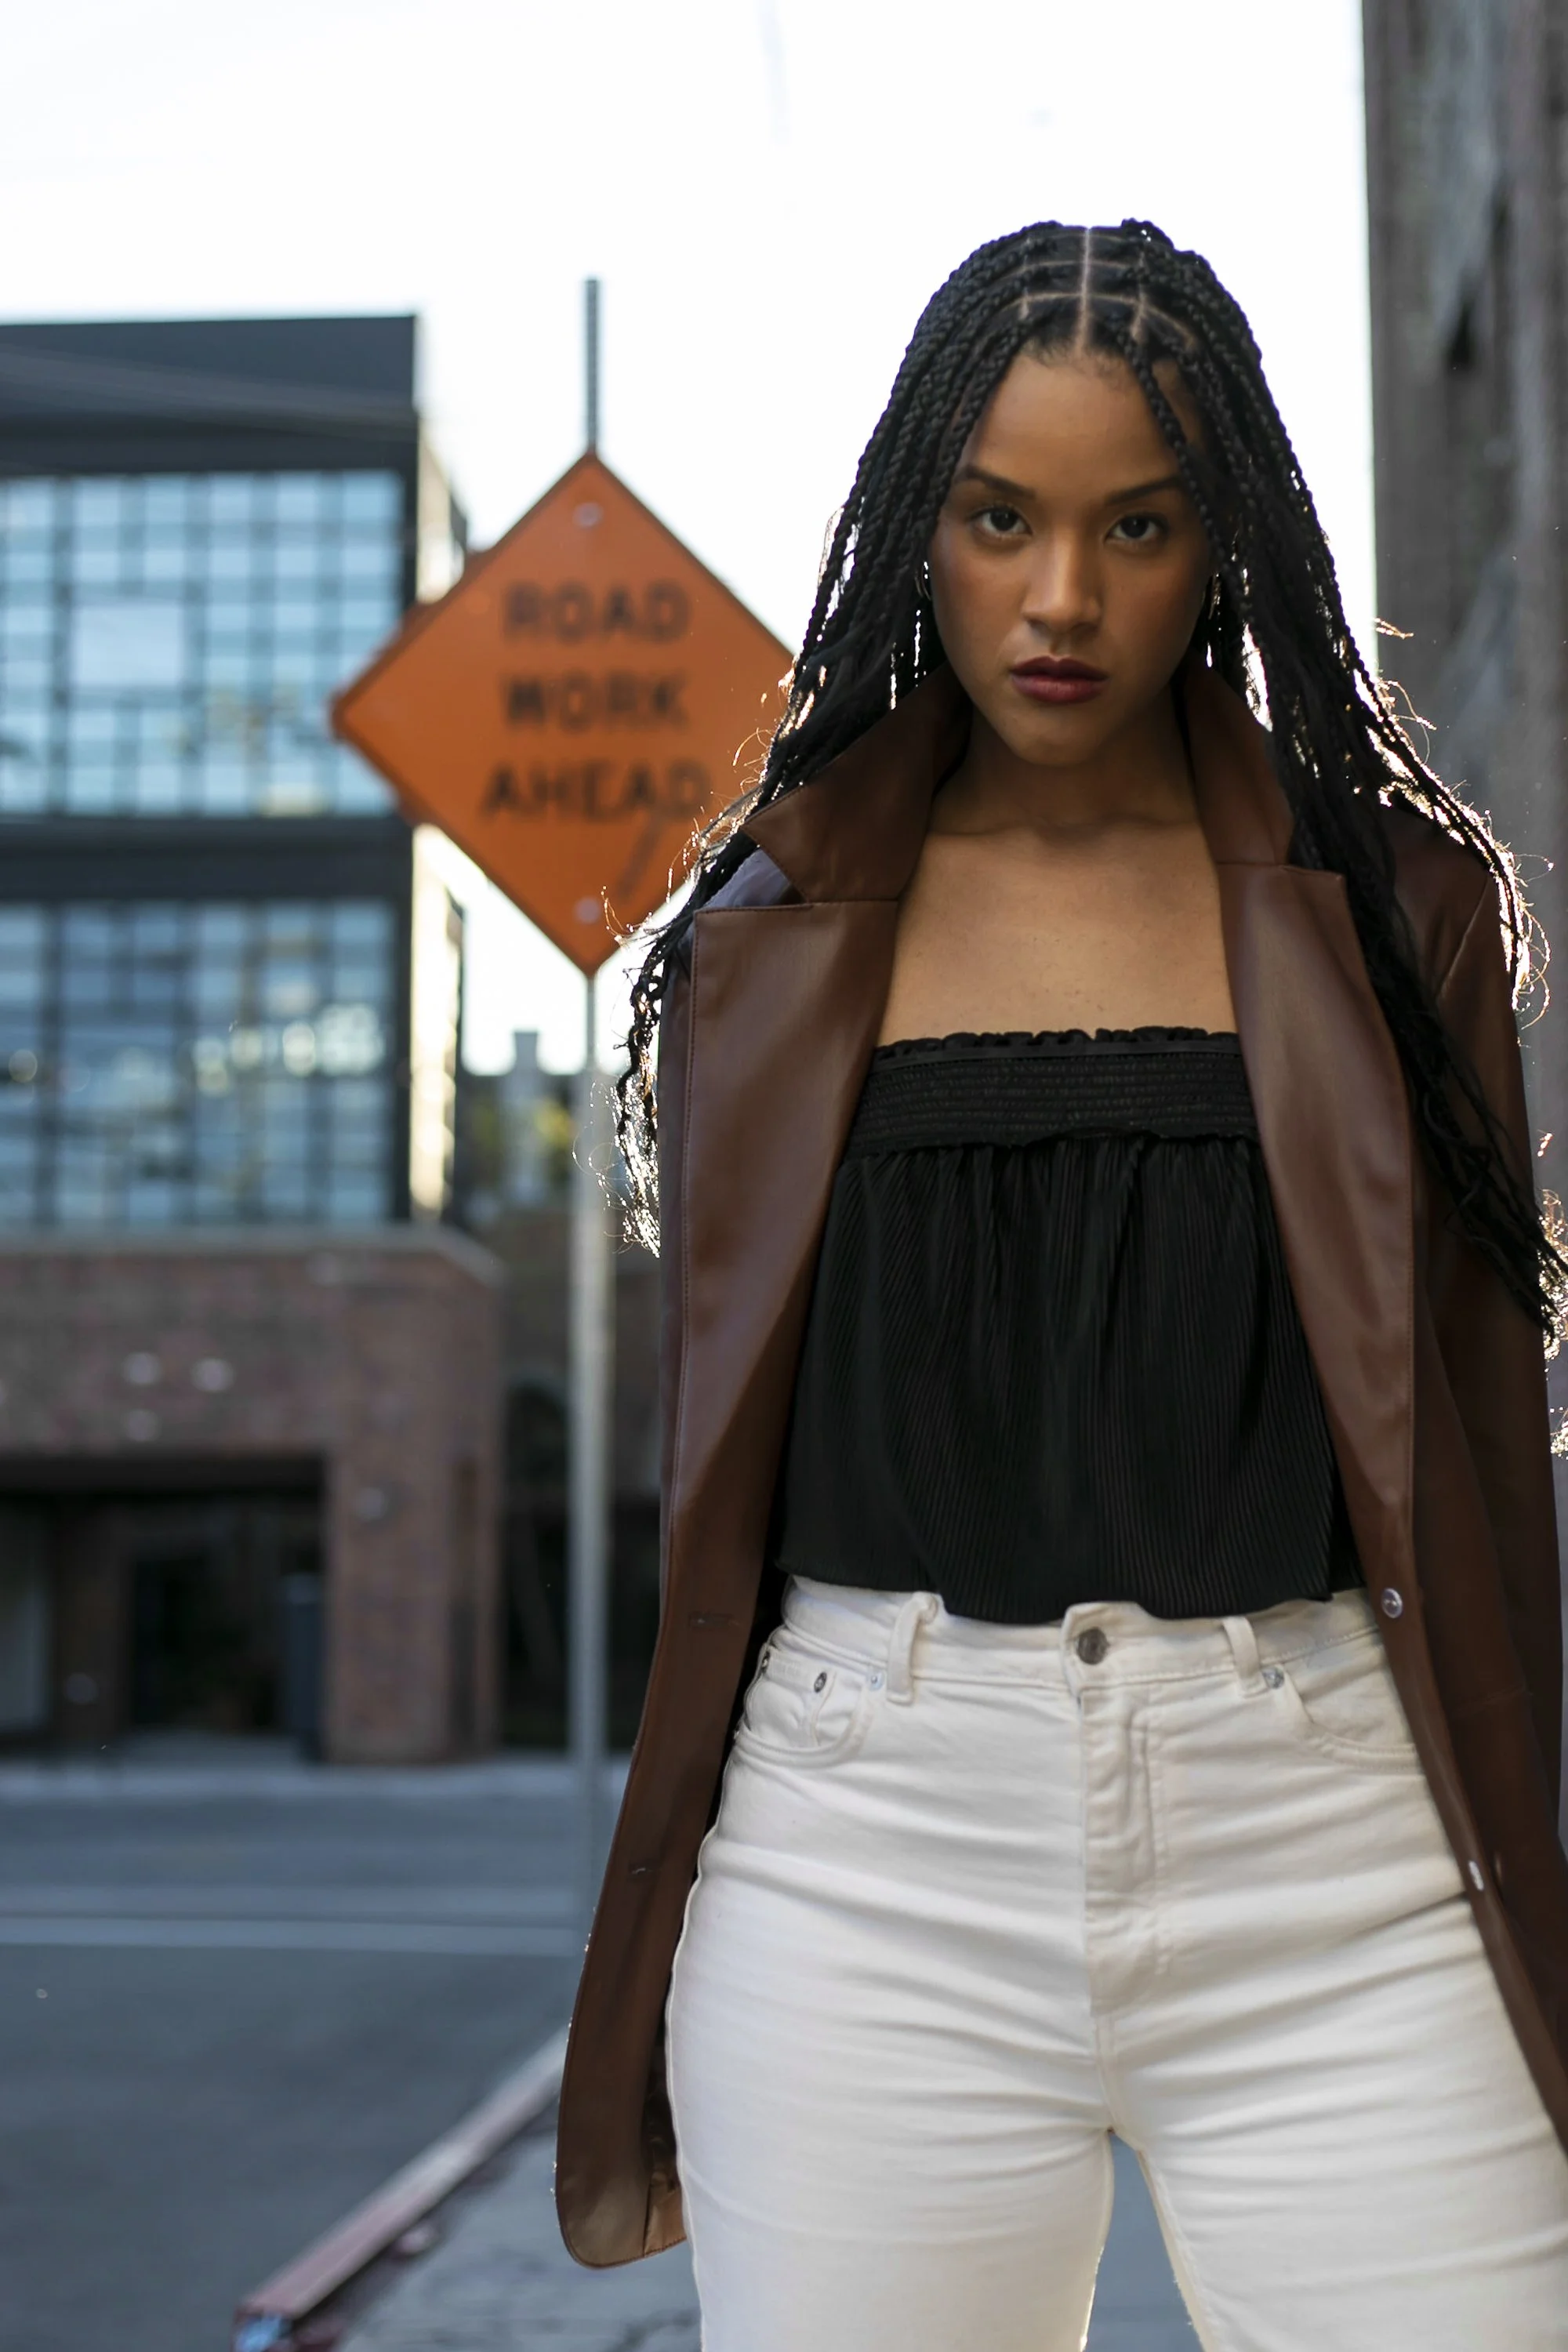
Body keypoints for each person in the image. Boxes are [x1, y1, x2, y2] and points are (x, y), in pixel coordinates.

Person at [554, 220, 1568, 2348]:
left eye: (1138, 524)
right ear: (920, 516)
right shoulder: (774, 921)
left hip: (1346, 1857)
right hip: (867, 1857)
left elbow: (1485, 1459)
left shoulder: (1392, 910)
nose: (1063, 601)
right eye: (1000, 517)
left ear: (1228, 543)